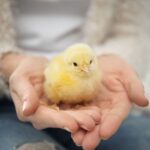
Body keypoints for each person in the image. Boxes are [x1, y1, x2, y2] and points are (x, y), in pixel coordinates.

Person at [0, 0, 150, 150]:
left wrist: (113, 58)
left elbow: (131, 30)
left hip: (98, 104)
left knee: (143, 140)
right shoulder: (59, 76)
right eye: (78, 66)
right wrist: (8, 63)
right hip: (7, 101)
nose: (85, 69)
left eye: (89, 64)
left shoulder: (96, 75)